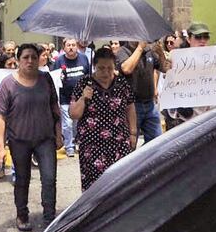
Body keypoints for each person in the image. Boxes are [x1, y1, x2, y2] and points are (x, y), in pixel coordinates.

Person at [0, 43, 62, 231]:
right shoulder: (8, 84)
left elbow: (54, 107)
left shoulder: (46, 79)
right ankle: (22, 215)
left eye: (34, 57)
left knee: (49, 179)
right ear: (18, 60)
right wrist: (0, 147)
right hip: (19, 140)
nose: (30, 61)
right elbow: (1, 116)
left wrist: (58, 134)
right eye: (25, 57)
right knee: (22, 180)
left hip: (45, 138)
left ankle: (49, 217)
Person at [68, 47, 136, 190]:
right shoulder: (84, 83)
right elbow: (74, 114)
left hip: (119, 143)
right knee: (95, 186)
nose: (106, 72)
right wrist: (83, 98)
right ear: (94, 66)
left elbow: (130, 107)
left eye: (109, 68)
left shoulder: (121, 83)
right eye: (101, 68)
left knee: (120, 183)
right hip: (92, 145)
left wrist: (133, 133)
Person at [115, 41, 162, 144]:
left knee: (157, 142)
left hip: (150, 104)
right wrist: (140, 48)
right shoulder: (123, 51)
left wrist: (160, 53)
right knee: (130, 143)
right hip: (132, 106)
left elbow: (165, 68)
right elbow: (126, 69)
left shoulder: (149, 51)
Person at [55, 38, 91, 157]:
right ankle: (69, 146)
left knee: (78, 122)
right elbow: (54, 77)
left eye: (73, 45)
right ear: (64, 48)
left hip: (80, 98)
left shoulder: (84, 58)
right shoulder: (59, 61)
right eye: (68, 45)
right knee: (68, 123)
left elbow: (89, 75)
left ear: (77, 46)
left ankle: (78, 142)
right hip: (65, 97)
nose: (71, 47)